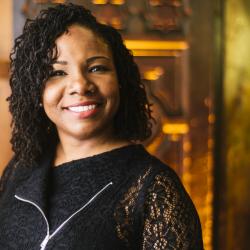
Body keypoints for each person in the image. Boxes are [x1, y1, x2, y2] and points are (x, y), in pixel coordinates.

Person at [0, 3, 203, 250]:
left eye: (97, 68)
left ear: (120, 80)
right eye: (57, 72)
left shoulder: (154, 187)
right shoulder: (22, 166)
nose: (80, 85)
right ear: (36, 90)